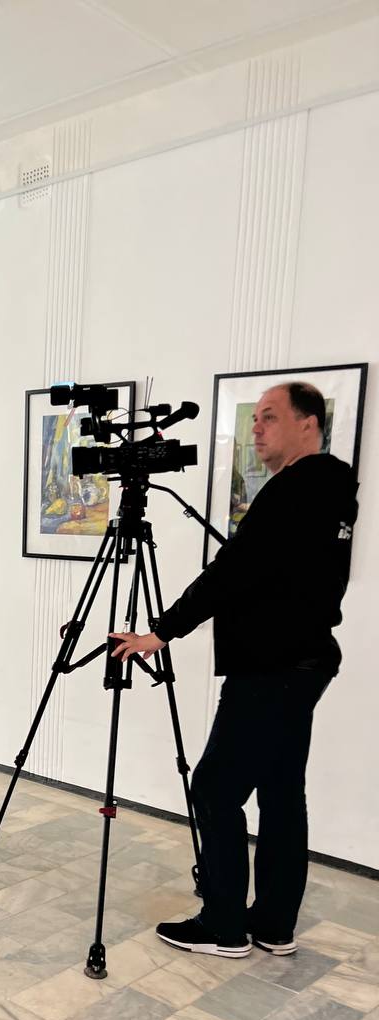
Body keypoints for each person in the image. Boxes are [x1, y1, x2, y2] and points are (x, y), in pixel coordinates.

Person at [111, 382, 358, 958]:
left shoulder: (293, 490)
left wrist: (160, 632)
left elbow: (230, 573)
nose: (257, 428)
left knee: (215, 789)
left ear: (308, 423)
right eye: (255, 419)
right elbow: (269, 572)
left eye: (270, 417)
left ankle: (223, 925)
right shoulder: (333, 490)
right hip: (306, 662)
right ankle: (273, 923)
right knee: (280, 791)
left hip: (271, 667)